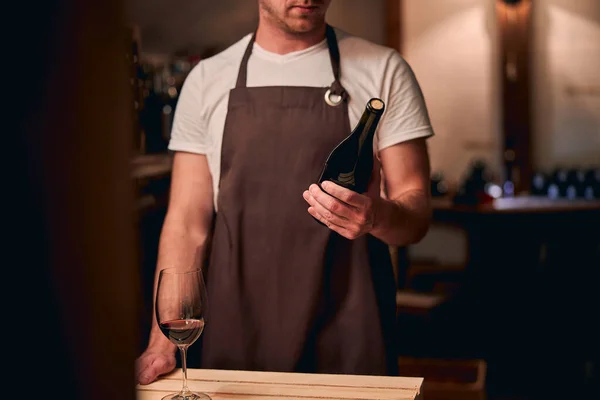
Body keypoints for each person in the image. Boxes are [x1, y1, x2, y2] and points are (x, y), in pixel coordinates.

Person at [136, 0, 434, 384]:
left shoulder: (385, 70)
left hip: (349, 335)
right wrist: (162, 343)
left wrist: (378, 215)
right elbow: (187, 223)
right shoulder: (208, 79)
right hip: (235, 334)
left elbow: (417, 215)